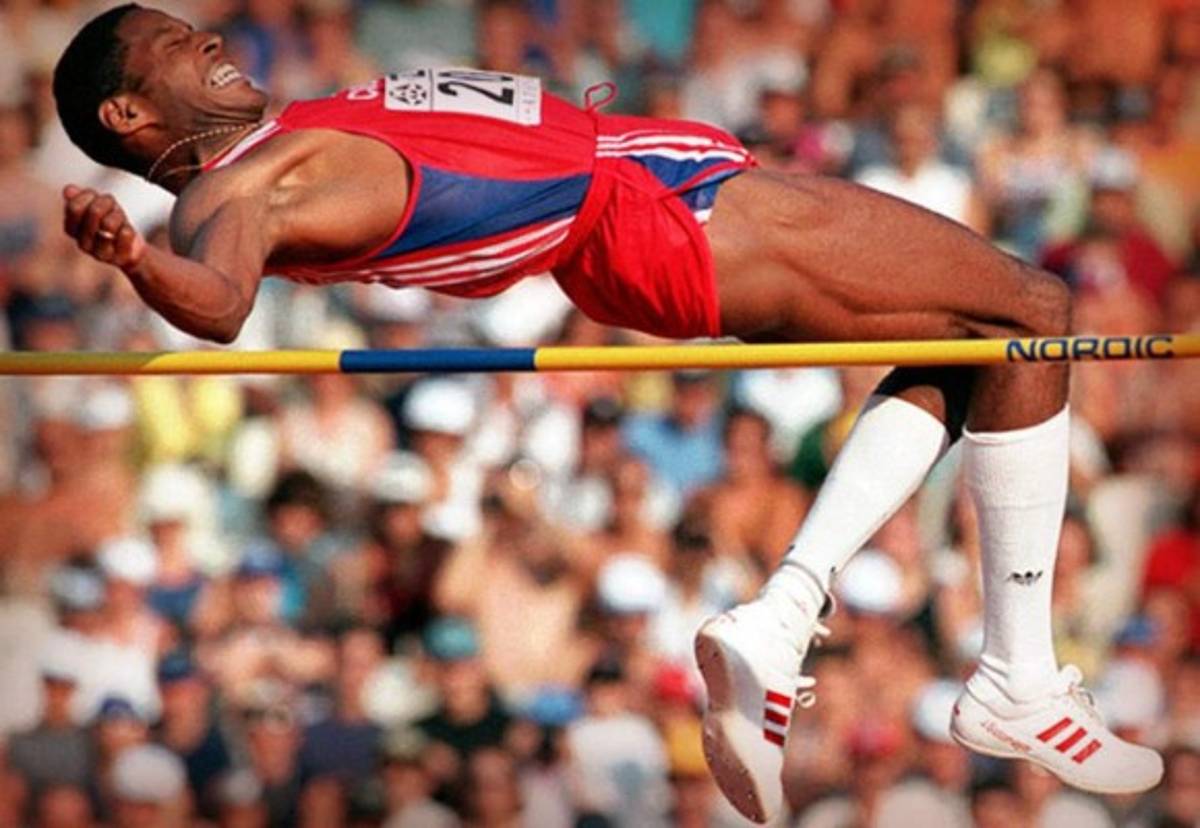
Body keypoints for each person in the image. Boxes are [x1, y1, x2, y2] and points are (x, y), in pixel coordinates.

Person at [53, 5, 1160, 823]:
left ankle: (793, 619)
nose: (206, 37)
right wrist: (139, 258)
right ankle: (1008, 677)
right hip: (647, 214)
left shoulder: (273, 145)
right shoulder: (231, 191)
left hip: (641, 191)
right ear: (128, 112)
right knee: (1032, 309)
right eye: (172, 44)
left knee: (976, 348)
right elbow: (220, 302)